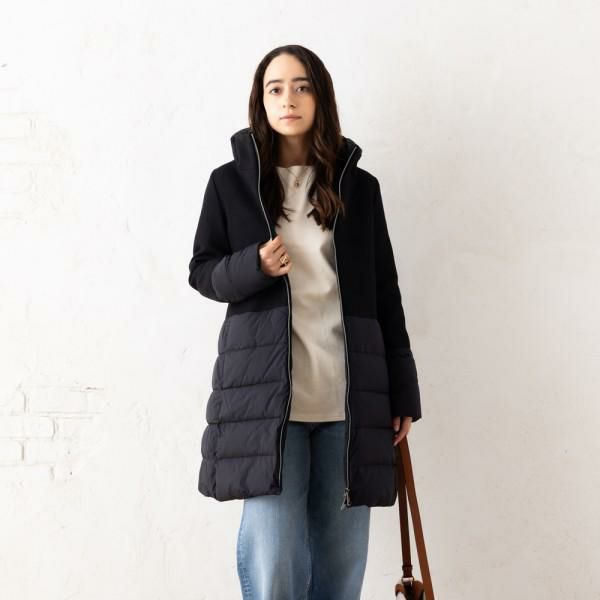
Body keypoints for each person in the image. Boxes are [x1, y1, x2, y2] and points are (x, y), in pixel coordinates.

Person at [188, 44, 422, 600]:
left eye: (301, 86)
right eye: (275, 88)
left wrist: (403, 393)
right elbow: (202, 271)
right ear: (260, 100)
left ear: (320, 97)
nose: (287, 98)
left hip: (349, 401)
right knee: (273, 563)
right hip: (267, 403)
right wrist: (254, 265)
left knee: (340, 572)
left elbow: (384, 292)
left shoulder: (358, 188)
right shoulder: (230, 184)